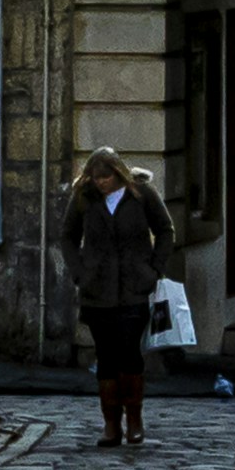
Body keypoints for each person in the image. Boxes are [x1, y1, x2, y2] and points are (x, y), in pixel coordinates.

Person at [62, 153, 176, 451]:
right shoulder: (83, 198)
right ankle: (111, 423)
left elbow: (165, 229)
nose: (102, 184)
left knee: (130, 352)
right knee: (106, 357)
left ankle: (134, 419)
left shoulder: (142, 194)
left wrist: (154, 268)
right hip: (97, 290)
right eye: (97, 178)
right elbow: (68, 237)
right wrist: (79, 273)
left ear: (118, 174)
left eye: (107, 178)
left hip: (134, 287)